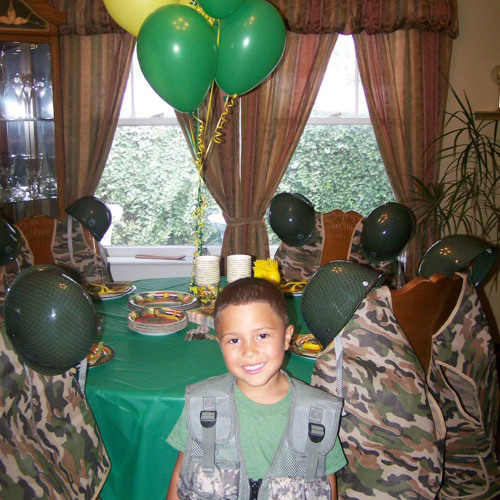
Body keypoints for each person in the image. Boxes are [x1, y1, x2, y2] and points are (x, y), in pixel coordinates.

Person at [166, 277, 346, 500]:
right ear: (220, 344)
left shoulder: (317, 416)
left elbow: (327, 489)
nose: (249, 352)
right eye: (234, 340)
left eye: (262, 336)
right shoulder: (202, 406)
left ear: (287, 337)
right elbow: (181, 480)